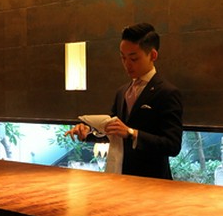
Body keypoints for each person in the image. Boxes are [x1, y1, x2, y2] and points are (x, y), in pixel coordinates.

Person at [66, 23, 183, 179]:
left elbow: (172, 146)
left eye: (134, 58)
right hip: (120, 178)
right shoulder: (122, 92)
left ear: (153, 55)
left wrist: (131, 133)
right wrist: (87, 133)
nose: (127, 64)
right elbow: (114, 132)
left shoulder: (167, 93)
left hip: (152, 181)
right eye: (123, 57)